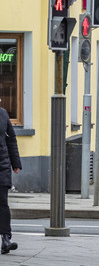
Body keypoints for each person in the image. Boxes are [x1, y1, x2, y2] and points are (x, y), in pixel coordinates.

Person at [0, 102, 21, 255]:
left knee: (2, 203)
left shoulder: (3, 113)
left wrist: (16, 162)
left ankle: (6, 239)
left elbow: (11, 139)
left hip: (2, 165)